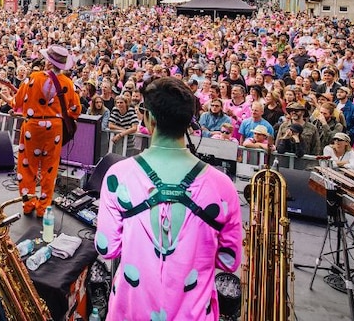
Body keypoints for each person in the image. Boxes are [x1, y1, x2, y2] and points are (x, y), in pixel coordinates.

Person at [95, 77, 242, 321]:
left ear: (149, 119)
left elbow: (107, 248)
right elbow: (230, 261)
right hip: (195, 314)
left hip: (131, 311)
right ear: (189, 122)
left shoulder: (118, 176)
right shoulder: (223, 186)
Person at [14, 44, 81, 217]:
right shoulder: (68, 83)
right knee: (49, 168)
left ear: (49, 62)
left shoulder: (33, 78)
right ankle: (43, 208)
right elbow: (76, 110)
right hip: (55, 130)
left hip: (32, 128)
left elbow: (17, 103)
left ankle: (28, 204)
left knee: (27, 166)